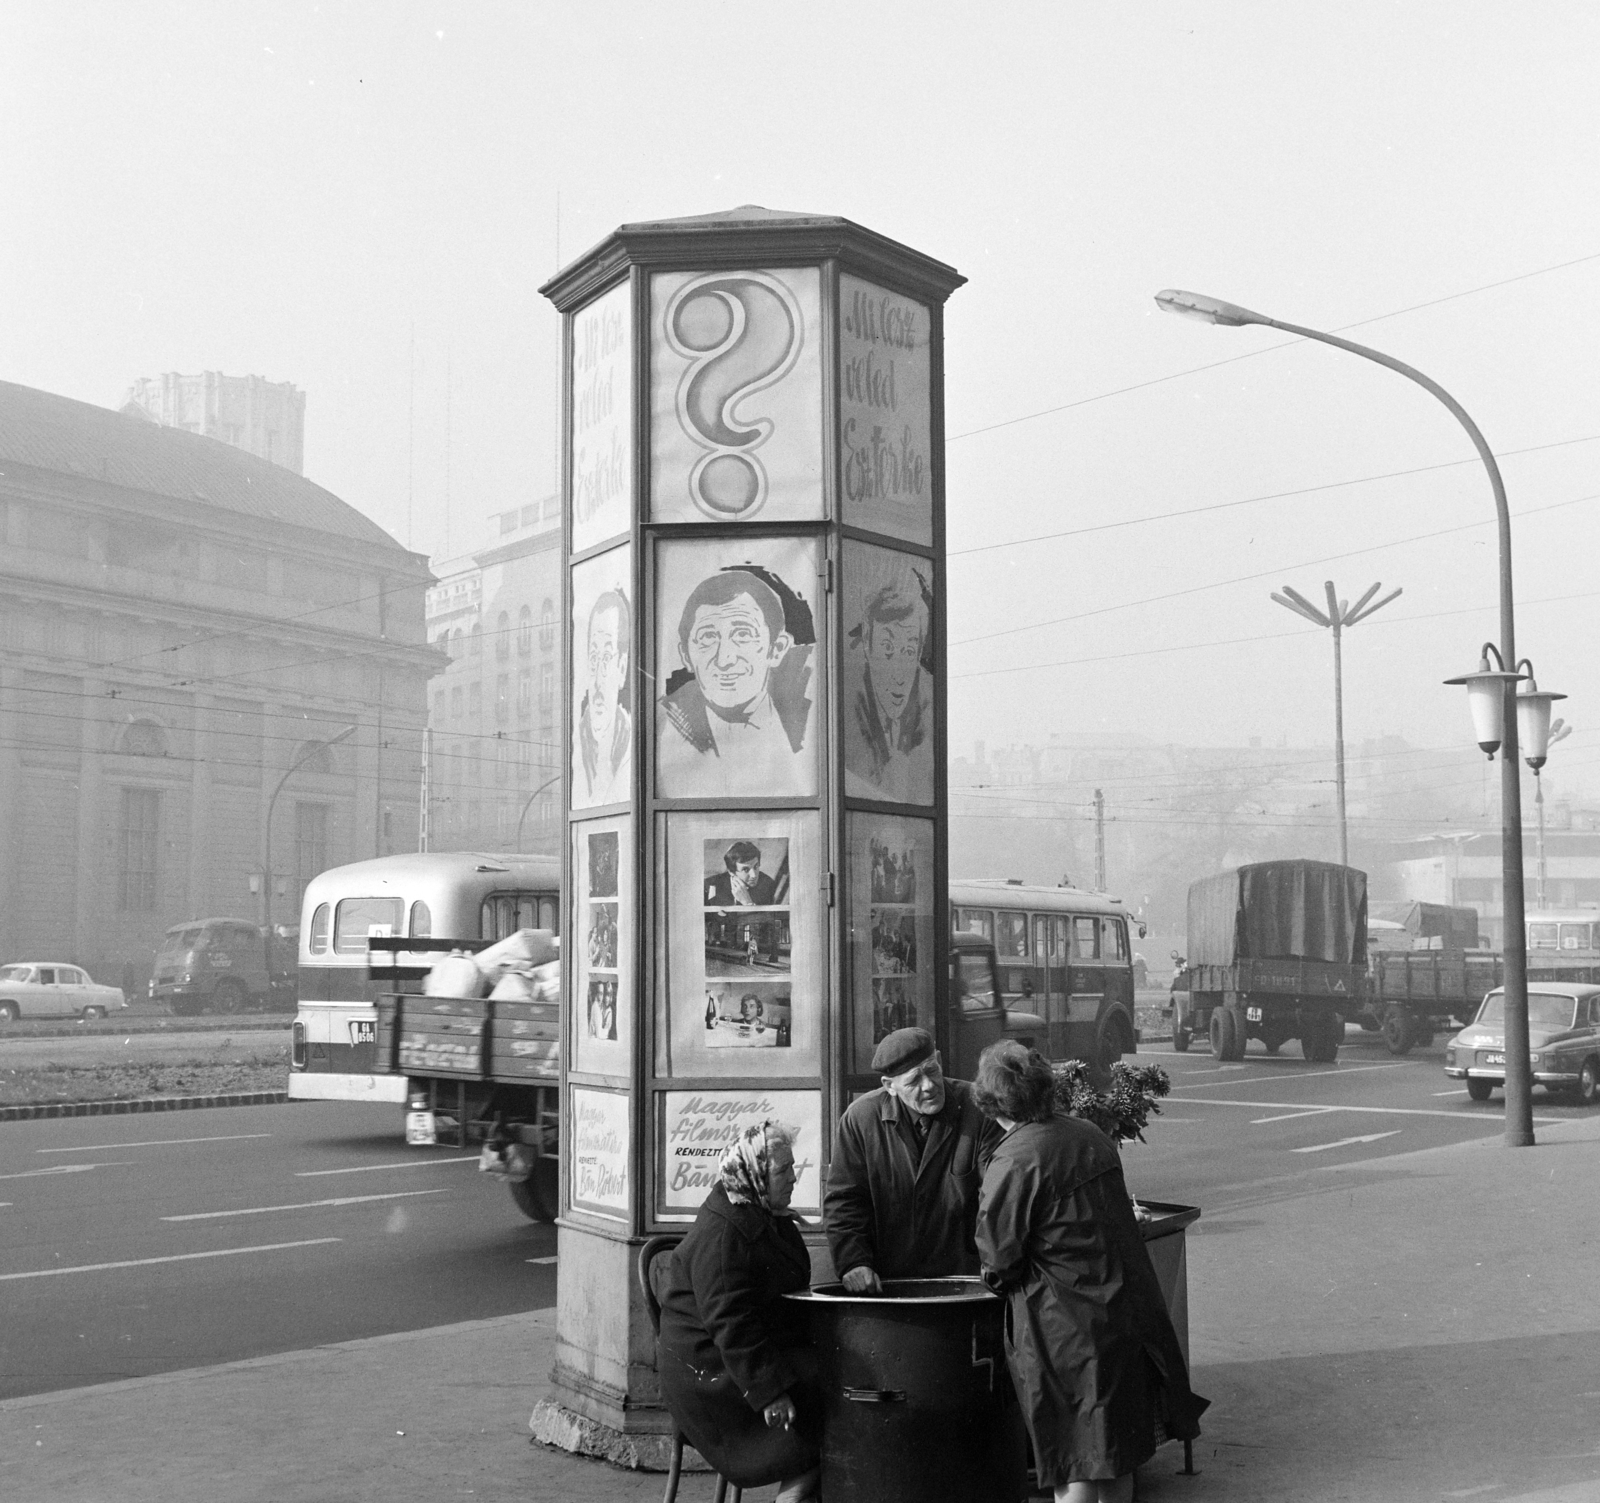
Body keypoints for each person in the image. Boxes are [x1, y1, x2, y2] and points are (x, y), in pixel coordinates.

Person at [972, 1041, 1208, 1503]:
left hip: (1059, 1330)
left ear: (991, 1100)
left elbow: (999, 1260)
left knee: (1073, 1459)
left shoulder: (1015, 1159)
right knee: (1114, 1455)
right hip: (1118, 1316)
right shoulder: (1090, 1135)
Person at [656, 1122, 819, 1503]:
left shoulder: (759, 1210)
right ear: (755, 1174)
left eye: (793, 1167)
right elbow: (731, 1322)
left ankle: (802, 1492)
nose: (793, 1178)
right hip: (711, 1376)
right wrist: (769, 1393)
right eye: (783, 1171)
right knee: (835, 1408)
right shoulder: (727, 1234)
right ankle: (793, 1497)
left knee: (839, 1383)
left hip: (735, 1361)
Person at [824, 1026, 999, 1291]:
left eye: (932, 1071)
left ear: (939, 1059)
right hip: (891, 1283)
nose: (928, 1086)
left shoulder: (979, 1108)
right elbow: (845, 1202)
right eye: (914, 1080)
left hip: (966, 1281)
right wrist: (853, 1262)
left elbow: (997, 1198)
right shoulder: (860, 1120)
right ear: (889, 1086)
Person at [658, 567, 812, 796]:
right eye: (708, 637)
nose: (725, 659)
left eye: (743, 634)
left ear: (777, 649)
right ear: (686, 656)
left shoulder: (812, 724)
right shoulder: (664, 726)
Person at [844, 574, 932, 803]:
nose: (898, 674)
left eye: (909, 652)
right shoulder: (844, 707)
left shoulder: (929, 708)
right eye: (887, 648)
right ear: (867, 645)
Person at [576, 589, 631, 805]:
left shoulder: (630, 745)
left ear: (622, 669)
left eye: (607, 658)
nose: (598, 679)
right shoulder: (577, 746)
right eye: (593, 658)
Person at [705, 839, 779, 907]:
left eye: (756, 867)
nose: (754, 875)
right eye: (745, 870)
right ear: (731, 872)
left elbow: (765, 919)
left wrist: (747, 902)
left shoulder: (768, 885)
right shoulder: (710, 884)